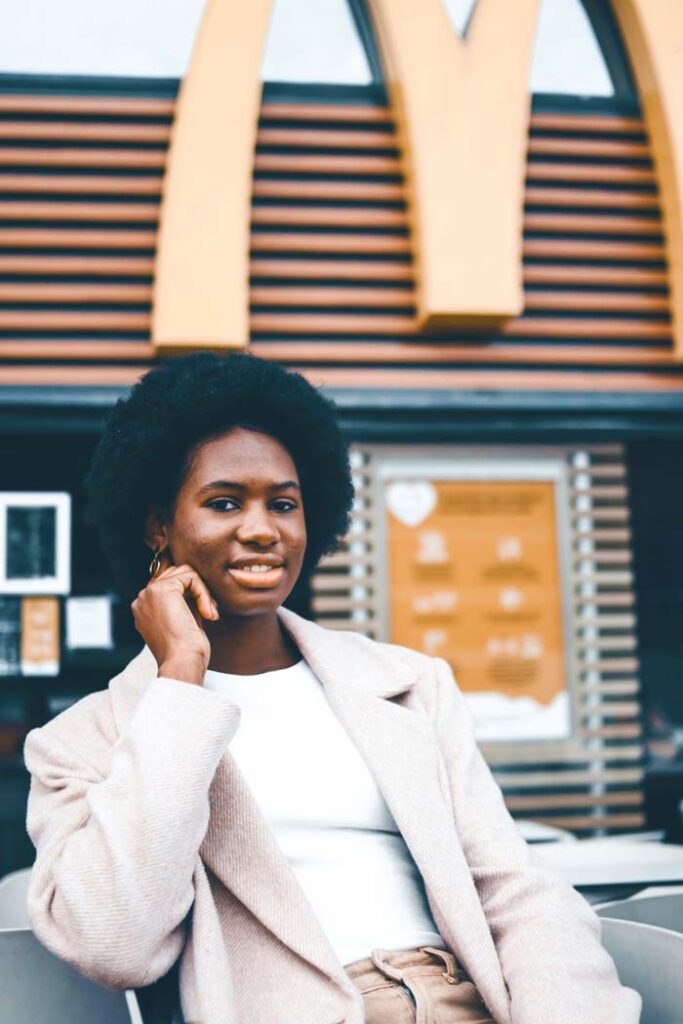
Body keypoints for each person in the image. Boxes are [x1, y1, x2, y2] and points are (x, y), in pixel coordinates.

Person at [23, 352, 641, 1024]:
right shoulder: (83, 742)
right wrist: (179, 679)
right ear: (158, 527)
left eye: (283, 504)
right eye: (224, 502)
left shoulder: (407, 684)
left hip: (472, 1002)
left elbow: (513, 889)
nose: (261, 529)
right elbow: (115, 944)